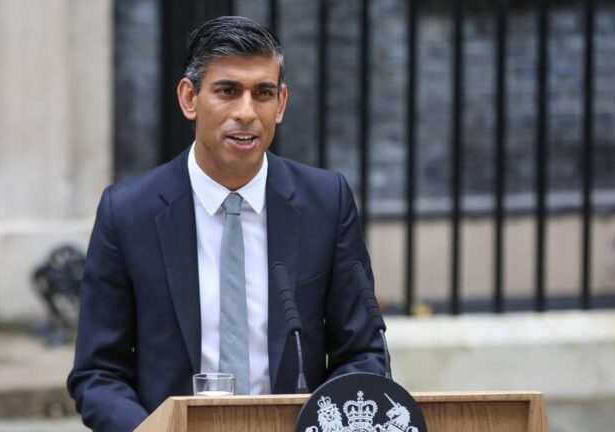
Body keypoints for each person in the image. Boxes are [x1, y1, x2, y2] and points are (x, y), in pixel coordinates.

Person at [68, 16, 387, 432]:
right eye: (227, 91)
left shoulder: (327, 202)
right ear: (189, 98)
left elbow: (362, 354)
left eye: (263, 93)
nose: (246, 112)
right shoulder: (127, 213)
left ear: (281, 104)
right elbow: (98, 374)